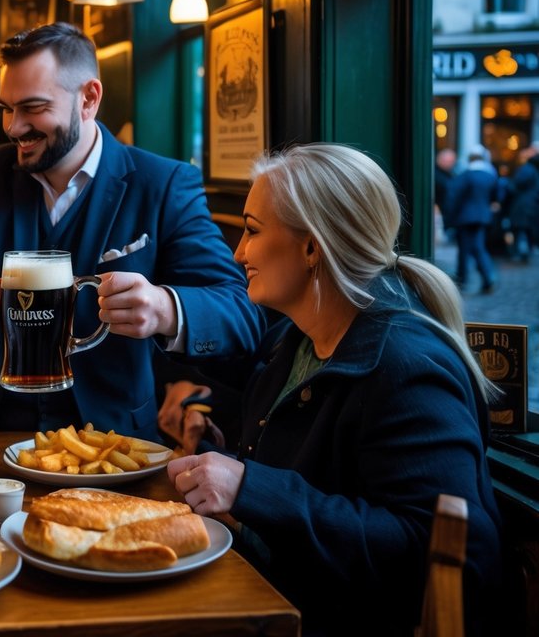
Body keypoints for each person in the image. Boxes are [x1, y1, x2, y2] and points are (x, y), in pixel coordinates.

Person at [162, 144, 502, 636]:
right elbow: (300, 447)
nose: (239, 252)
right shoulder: (298, 336)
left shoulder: (406, 366)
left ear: (311, 248)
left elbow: (445, 553)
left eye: (253, 231)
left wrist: (249, 487)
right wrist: (210, 434)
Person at [0, 22, 264, 437]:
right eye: (7, 108)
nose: (13, 127)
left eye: (33, 107)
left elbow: (240, 314)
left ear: (89, 98)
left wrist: (163, 307)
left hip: (114, 446)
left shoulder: (163, 184)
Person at [446, 144, 500, 293]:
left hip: (464, 218)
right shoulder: (490, 176)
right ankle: (487, 277)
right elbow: (496, 198)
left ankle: (465, 280)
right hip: (483, 218)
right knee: (478, 246)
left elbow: (454, 198)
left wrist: (449, 219)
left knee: (465, 249)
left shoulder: (465, 175)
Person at [506, 145, 538, 263]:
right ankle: (524, 251)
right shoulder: (532, 169)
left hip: (523, 205)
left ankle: (521, 252)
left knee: (521, 230)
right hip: (530, 205)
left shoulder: (527, 169)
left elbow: (516, 185)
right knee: (525, 230)